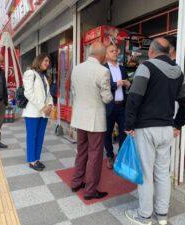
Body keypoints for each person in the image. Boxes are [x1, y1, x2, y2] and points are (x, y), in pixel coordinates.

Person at [124, 38, 185, 225]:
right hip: (166, 130)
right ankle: (162, 215)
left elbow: (134, 97)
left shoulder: (146, 66)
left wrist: (128, 125)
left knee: (146, 173)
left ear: (152, 51)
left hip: (146, 129)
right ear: (167, 52)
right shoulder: (177, 71)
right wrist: (178, 124)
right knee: (162, 173)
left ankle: (144, 216)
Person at [70, 42, 113, 200]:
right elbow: (107, 98)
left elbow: (74, 92)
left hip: (79, 117)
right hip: (95, 120)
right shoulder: (103, 71)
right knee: (95, 154)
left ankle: (76, 182)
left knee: (81, 151)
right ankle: (90, 190)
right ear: (102, 56)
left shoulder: (77, 68)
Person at [22, 53, 53, 171]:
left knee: (40, 136)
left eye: (48, 61)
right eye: (45, 61)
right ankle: (32, 160)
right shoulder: (30, 73)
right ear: (39, 61)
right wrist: (42, 106)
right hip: (33, 112)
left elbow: (48, 94)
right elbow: (28, 93)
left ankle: (37, 159)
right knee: (32, 136)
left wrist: (50, 104)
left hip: (43, 112)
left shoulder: (44, 77)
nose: (47, 63)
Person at [104, 44, 130, 169]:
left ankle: (120, 156)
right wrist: (117, 83)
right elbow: (103, 87)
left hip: (122, 106)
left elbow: (128, 83)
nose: (115, 53)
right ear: (107, 54)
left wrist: (127, 83)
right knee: (107, 133)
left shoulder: (123, 68)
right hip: (109, 105)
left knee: (124, 132)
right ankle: (109, 155)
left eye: (116, 51)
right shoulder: (103, 69)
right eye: (112, 51)